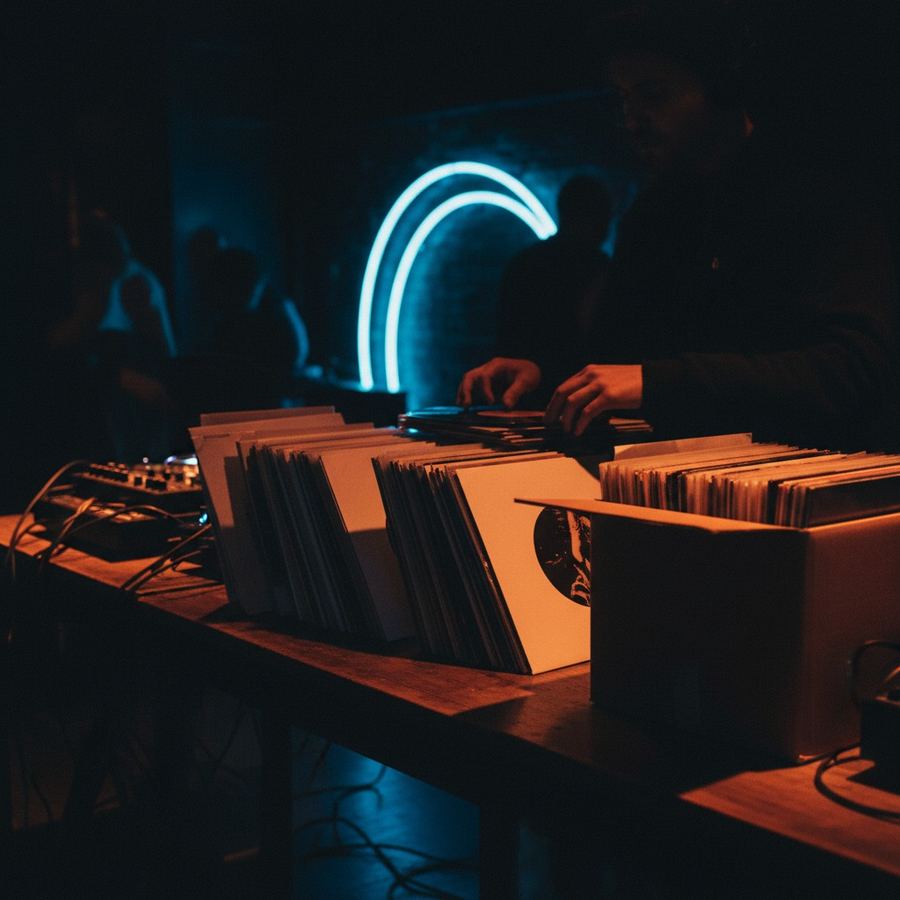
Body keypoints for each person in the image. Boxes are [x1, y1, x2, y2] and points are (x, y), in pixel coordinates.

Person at [458, 12, 897, 451]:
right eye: (625, 99)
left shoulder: (817, 194)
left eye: (653, 95)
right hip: (682, 479)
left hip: (813, 482)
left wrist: (658, 382)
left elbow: (850, 369)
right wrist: (544, 375)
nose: (632, 120)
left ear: (723, 89)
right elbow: (621, 357)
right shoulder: (653, 213)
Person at [495, 174, 613, 390]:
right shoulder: (602, 268)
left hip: (527, 391)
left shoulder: (524, 263)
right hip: (584, 390)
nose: (605, 228)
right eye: (603, 218)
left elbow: (506, 336)